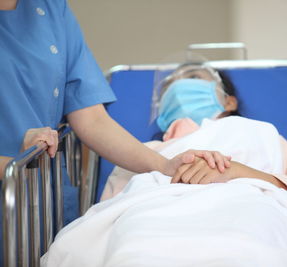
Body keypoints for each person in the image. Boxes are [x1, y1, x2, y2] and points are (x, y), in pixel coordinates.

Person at [0, 0, 229, 264]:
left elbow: (92, 119)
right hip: (21, 183)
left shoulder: (50, 8)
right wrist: (15, 166)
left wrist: (165, 165)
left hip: (40, 199)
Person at [42, 63, 287, 267]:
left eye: (192, 77)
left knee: (247, 250)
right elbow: (110, 213)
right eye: (169, 88)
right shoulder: (140, 153)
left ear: (228, 101)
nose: (179, 86)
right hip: (153, 221)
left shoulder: (261, 133)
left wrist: (238, 173)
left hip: (249, 211)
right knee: (135, 249)